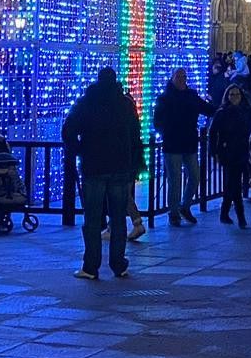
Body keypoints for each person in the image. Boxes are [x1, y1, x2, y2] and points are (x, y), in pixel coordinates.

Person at [63, 67, 143, 281]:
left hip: (94, 166)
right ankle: (118, 263)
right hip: (119, 166)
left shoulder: (87, 102)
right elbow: (135, 136)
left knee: (92, 218)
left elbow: (68, 129)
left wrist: (79, 150)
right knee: (118, 218)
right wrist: (134, 162)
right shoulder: (125, 104)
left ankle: (90, 266)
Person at [152, 70, 212, 226]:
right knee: (175, 180)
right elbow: (157, 121)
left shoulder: (191, 95)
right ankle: (174, 212)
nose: (181, 80)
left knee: (195, 176)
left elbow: (206, 108)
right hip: (172, 144)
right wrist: (167, 131)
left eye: (184, 77)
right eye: (178, 77)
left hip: (189, 143)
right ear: (172, 79)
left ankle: (184, 206)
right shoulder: (164, 98)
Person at [208, 84, 251, 227]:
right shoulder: (222, 113)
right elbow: (213, 132)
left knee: (232, 183)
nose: (234, 97)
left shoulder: (246, 111)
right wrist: (214, 151)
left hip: (242, 150)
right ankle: (240, 216)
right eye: (231, 95)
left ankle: (225, 212)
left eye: (237, 94)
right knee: (234, 183)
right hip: (227, 151)